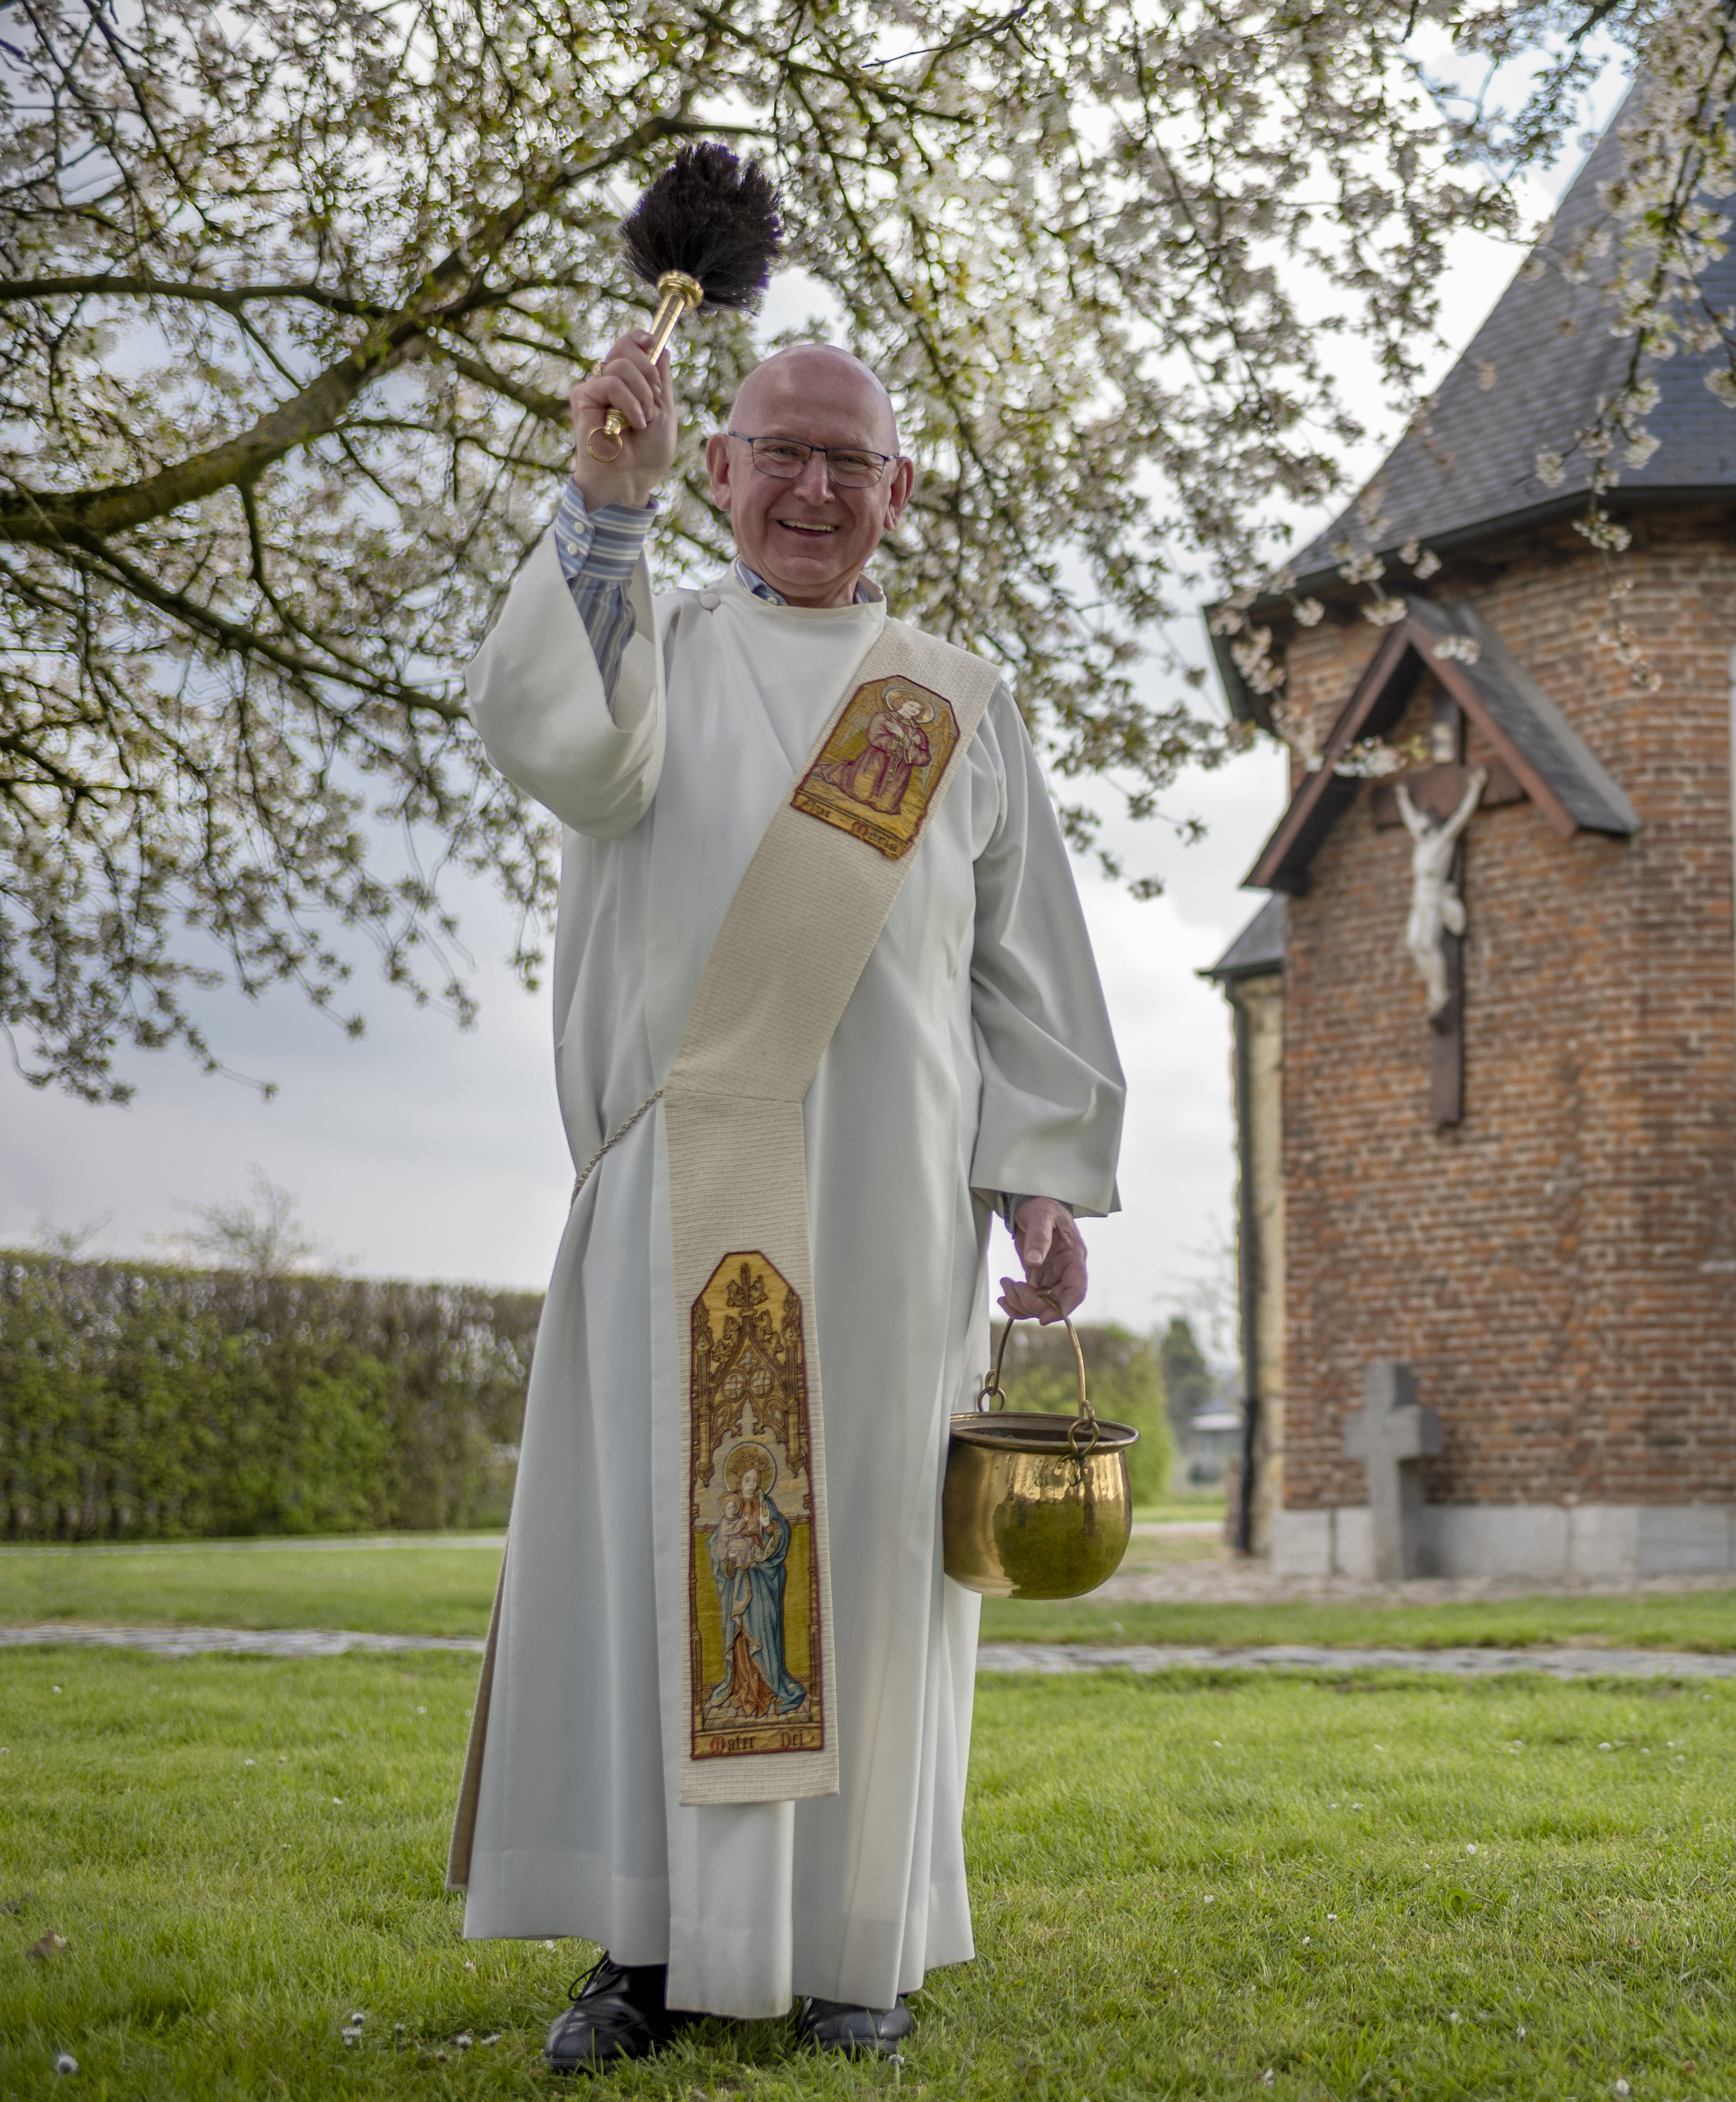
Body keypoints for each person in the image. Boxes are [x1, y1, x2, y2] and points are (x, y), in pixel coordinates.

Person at [454, 324, 1123, 2070]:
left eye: (851, 460)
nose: (815, 487)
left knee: (880, 1580)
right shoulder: (651, 658)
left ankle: (859, 1955)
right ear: (723, 470)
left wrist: (1039, 1174)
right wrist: (602, 503)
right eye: (780, 453)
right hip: (674, 1187)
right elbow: (561, 749)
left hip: (896, 1214)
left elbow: (1023, 974)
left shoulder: (954, 705)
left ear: (899, 490)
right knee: (661, 1565)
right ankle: (645, 1953)